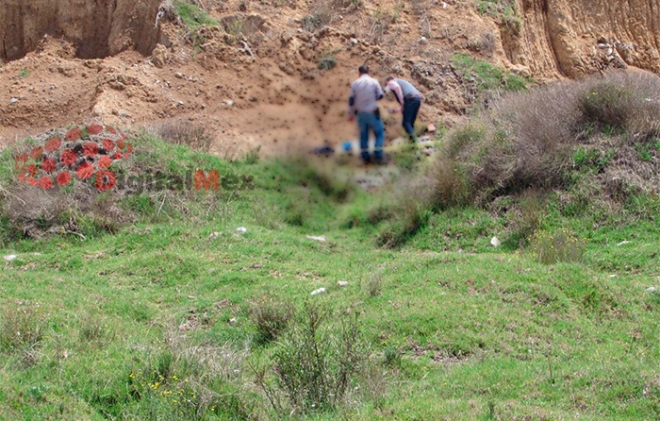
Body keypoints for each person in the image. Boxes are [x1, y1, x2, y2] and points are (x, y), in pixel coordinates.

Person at [347, 65, 385, 164]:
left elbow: (351, 100)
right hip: (372, 112)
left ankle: (365, 158)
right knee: (379, 133)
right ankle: (378, 155)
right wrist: (372, 100)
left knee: (363, 136)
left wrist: (350, 113)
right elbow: (380, 95)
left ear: (359, 73)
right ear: (368, 72)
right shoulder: (374, 82)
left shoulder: (355, 84)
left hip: (360, 114)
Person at [384, 77, 423, 141]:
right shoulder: (402, 82)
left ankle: (414, 141)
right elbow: (406, 107)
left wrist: (402, 102)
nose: (388, 86)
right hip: (417, 99)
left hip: (410, 99)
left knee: (406, 123)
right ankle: (412, 142)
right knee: (410, 123)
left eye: (386, 84)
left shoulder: (392, 82)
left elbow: (396, 87)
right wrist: (396, 110)